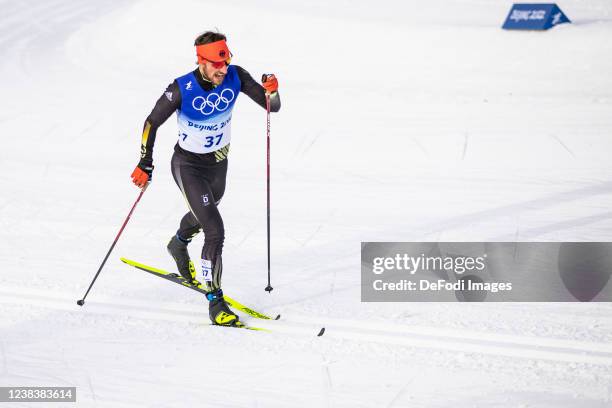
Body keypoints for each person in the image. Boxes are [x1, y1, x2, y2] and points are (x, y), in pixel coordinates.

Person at [130, 31, 281, 326]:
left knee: (202, 215)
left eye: (226, 63)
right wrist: (144, 161)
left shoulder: (236, 76)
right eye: (216, 65)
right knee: (215, 229)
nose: (222, 71)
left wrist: (272, 91)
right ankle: (215, 302)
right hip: (188, 165)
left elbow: (271, 106)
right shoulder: (181, 88)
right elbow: (151, 122)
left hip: (218, 165)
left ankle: (178, 242)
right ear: (201, 61)